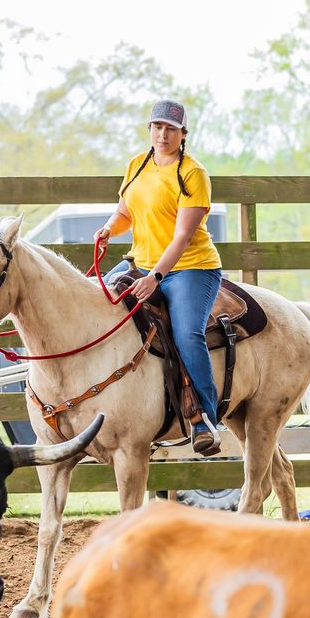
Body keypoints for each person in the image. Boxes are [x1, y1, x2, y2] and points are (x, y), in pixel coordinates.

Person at [94, 100, 223, 456]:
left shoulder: (193, 174)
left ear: (183, 134)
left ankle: (206, 419)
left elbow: (182, 236)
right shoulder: (137, 165)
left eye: (170, 129)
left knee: (186, 333)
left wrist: (155, 276)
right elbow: (125, 212)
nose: (162, 135)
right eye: (156, 127)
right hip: (141, 261)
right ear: (149, 130)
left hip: (190, 267)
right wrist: (109, 228)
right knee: (97, 301)